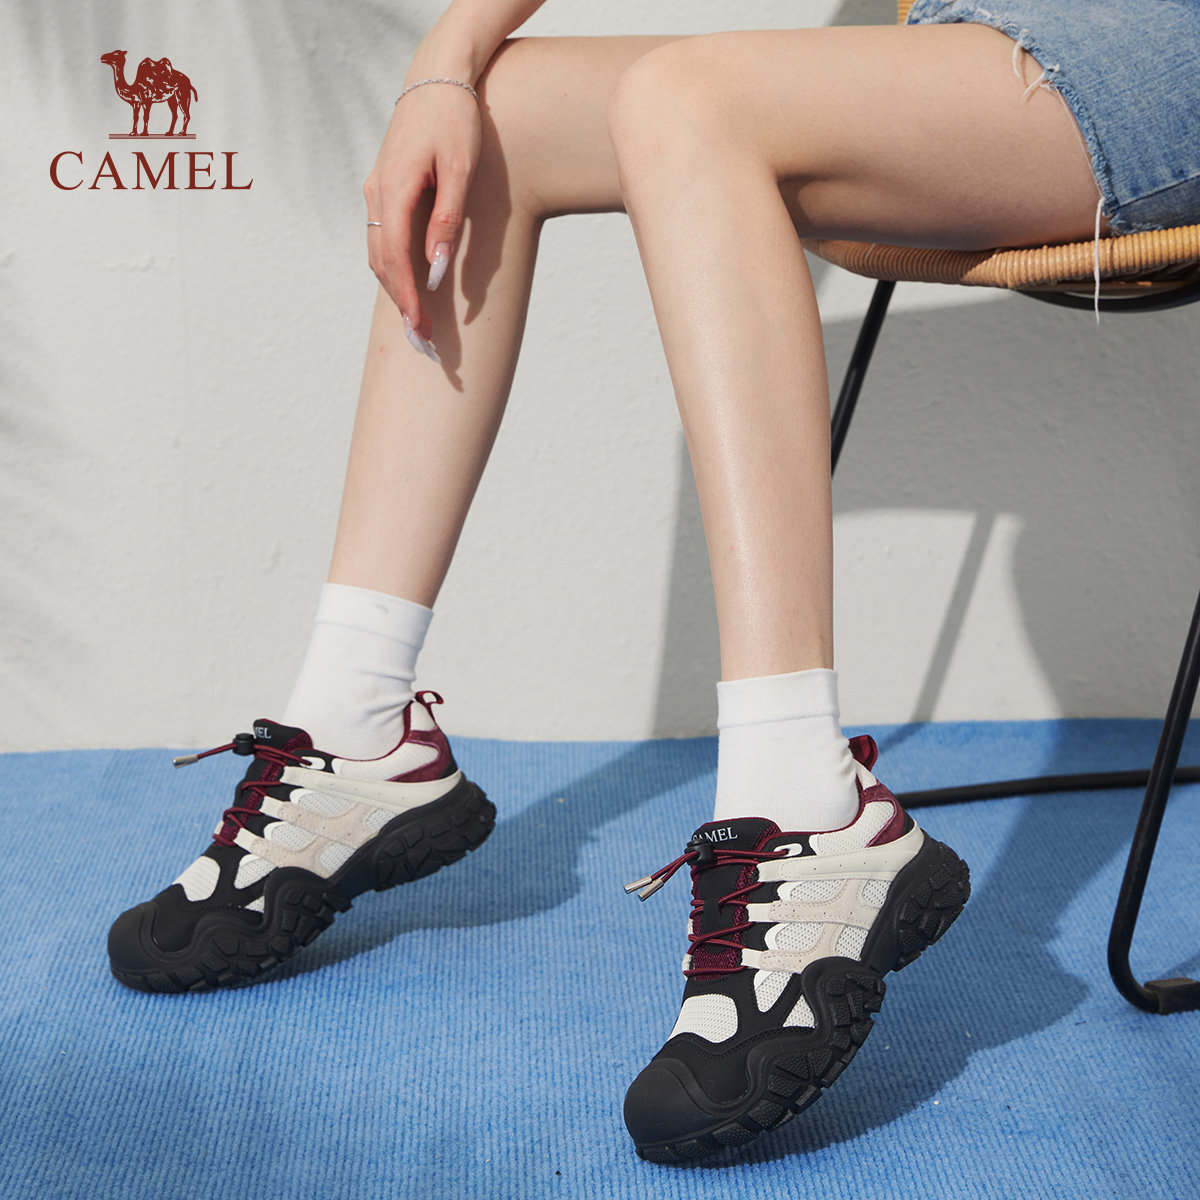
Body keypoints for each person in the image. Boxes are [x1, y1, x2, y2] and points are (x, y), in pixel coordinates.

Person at [106, 0, 1200, 1161]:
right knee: (498, 107)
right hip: (995, 24)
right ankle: (354, 724)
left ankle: (806, 810)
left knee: (693, 100)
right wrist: (443, 64)